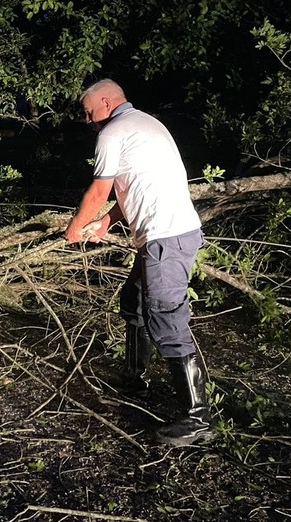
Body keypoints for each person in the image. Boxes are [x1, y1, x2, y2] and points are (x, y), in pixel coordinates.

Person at [64, 79, 212, 445]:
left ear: (105, 101)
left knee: (165, 316)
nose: (87, 120)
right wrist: (107, 221)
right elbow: (135, 186)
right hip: (167, 235)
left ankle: (197, 418)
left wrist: (76, 226)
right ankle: (135, 382)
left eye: (88, 111)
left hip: (167, 237)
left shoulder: (113, 132)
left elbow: (100, 189)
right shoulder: (146, 124)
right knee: (134, 301)